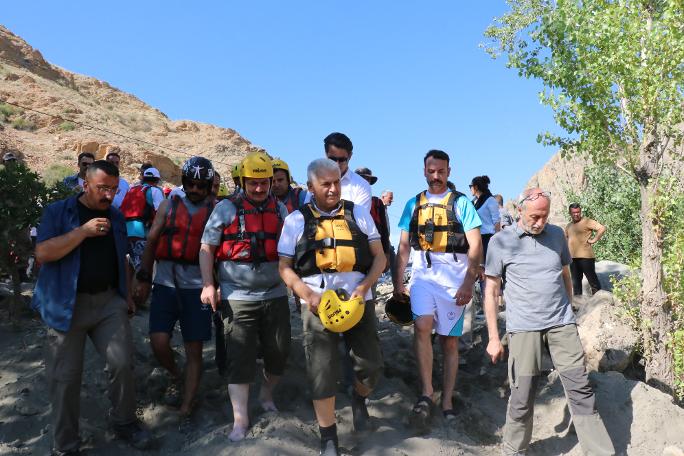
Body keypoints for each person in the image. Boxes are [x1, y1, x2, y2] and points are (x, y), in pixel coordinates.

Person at [32, 160, 152, 455]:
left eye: (113, 189)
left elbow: (122, 257)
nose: (109, 195)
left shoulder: (116, 216)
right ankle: (65, 445)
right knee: (65, 379)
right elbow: (43, 252)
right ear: (85, 185)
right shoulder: (58, 212)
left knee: (123, 363)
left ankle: (124, 422)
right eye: (102, 188)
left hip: (108, 302)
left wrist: (126, 295)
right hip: (65, 304)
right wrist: (82, 232)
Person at [484, 188, 615, 456]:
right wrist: (494, 338)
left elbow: (566, 274)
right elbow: (491, 291)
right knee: (522, 395)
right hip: (523, 328)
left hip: (561, 324)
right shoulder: (500, 242)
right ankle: (513, 450)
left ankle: (601, 452)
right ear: (520, 211)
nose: (539, 222)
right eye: (534, 216)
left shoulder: (556, 234)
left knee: (580, 388)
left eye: (544, 216)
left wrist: (569, 311)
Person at [278, 158, 385, 456]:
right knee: (321, 370)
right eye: (325, 184)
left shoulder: (359, 214)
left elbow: (379, 257)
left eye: (336, 182)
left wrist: (364, 287)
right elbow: (285, 267)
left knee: (371, 366)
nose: (333, 189)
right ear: (311, 186)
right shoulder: (296, 221)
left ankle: (359, 398)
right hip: (317, 306)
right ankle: (329, 439)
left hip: (357, 301)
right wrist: (305, 294)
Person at [199, 151, 290, 442]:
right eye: (253, 183)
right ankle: (241, 419)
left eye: (264, 182)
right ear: (243, 181)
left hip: (275, 293)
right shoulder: (225, 208)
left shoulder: (281, 211)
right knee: (240, 357)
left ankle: (266, 394)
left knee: (279, 351)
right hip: (237, 296)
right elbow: (207, 248)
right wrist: (207, 284)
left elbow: (292, 253)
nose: (260, 188)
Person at [393, 150, 483, 427]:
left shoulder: (462, 203)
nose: (436, 176)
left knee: (449, 341)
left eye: (441, 171)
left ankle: (447, 400)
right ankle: (427, 393)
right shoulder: (413, 204)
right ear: (424, 171)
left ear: (448, 171)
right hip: (423, 278)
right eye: (431, 171)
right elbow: (404, 246)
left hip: (454, 281)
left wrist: (469, 282)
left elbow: (476, 245)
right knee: (422, 327)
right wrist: (398, 283)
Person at [132, 157, 216, 425]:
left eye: (201, 185)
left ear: (208, 185)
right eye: (191, 183)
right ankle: (175, 374)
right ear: (184, 181)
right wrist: (143, 277)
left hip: (197, 288)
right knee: (158, 341)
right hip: (165, 283)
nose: (195, 189)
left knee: (194, 348)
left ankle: (187, 405)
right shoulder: (169, 205)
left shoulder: (216, 210)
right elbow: (152, 240)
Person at [304, 132, 372, 212]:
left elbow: (359, 219)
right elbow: (307, 213)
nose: (337, 164)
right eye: (332, 159)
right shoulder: (315, 182)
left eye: (342, 160)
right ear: (326, 154)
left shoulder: (362, 186)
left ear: (350, 156)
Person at [356, 167, 391, 290]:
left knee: (369, 290)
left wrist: (386, 253)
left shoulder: (376, 203)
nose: (365, 182)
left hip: (374, 250)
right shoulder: (345, 201)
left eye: (367, 180)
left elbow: (384, 230)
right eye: (361, 179)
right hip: (353, 252)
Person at [565, 203, 606, 296]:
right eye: (574, 213)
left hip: (586, 257)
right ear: (570, 213)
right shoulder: (569, 226)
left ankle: (599, 303)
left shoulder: (587, 221)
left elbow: (602, 228)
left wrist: (594, 239)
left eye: (578, 212)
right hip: (572, 259)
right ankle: (578, 306)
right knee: (576, 284)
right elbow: (565, 239)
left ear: (580, 211)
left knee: (593, 282)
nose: (576, 214)